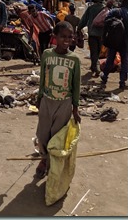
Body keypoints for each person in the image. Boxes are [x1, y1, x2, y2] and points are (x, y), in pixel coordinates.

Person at [35, 21, 81, 178]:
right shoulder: (47, 54)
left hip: (64, 103)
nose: (66, 40)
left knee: (56, 137)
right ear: (55, 37)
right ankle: (43, 157)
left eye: (70, 37)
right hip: (47, 100)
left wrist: (75, 108)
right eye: (63, 36)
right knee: (42, 134)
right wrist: (39, 97)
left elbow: (76, 85)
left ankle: (49, 163)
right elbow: (43, 77)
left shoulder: (74, 59)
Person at [100, 0, 128, 90]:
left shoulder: (115, 11)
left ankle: (104, 77)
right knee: (125, 61)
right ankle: (122, 82)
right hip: (125, 42)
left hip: (113, 41)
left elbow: (106, 21)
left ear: (121, 3)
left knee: (110, 59)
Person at [77, 0, 105, 76]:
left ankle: (95, 67)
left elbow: (84, 19)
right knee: (98, 51)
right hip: (101, 34)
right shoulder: (105, 9)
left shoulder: (91, 8)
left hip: (92, 33)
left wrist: (79, 28)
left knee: (93, 51)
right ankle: (94, 66)